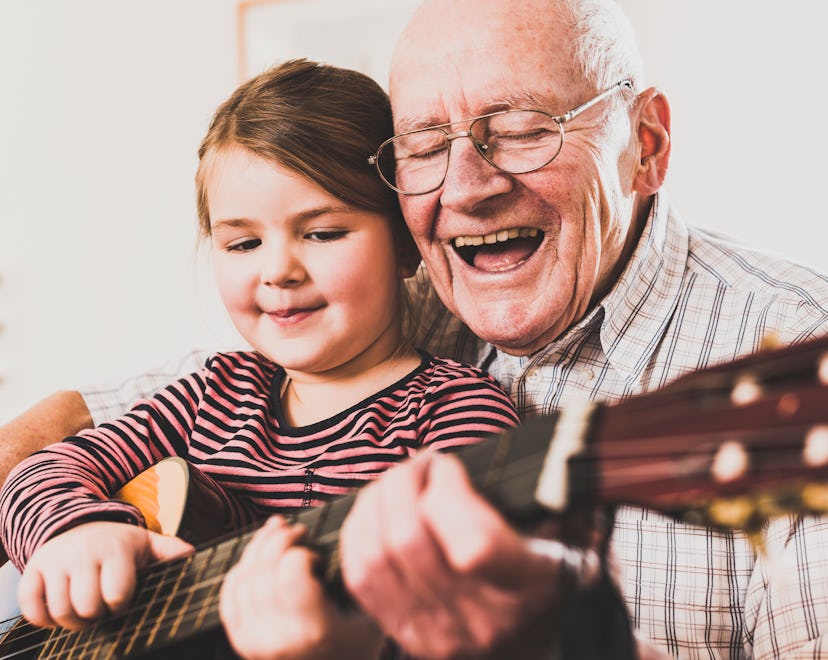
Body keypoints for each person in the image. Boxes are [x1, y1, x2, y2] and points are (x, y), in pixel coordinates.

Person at [3, 0, 828, 657]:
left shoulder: (784, 338)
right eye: (424, 146)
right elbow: (64, 437)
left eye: (523, 128)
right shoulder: (295, 349)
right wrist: (75, 530)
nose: (465, 190)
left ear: (644, 144)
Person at [0, 58, 520, 653]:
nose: (278, 271)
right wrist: (80, 531)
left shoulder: (454, 413)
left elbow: (469, 622)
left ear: (406, 245)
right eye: (243, 243)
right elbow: (42, 468)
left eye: (322, 233)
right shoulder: (215, 393)